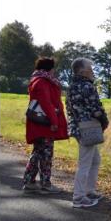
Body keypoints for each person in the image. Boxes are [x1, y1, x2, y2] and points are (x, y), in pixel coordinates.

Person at [67, 58, 109, 208]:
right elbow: (95, 108)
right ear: (82, 71)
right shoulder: (87, 86)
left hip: (78, 127)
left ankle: (89, 190)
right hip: (89, 127)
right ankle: (79, 197)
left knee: (95, 160)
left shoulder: (72, 86)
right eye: (90, 69)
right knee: (85, 163)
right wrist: (104, 120)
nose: (92, 71)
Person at [22, 57, 69, 194]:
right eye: (53, 68)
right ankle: (45, 184)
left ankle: (30, 182)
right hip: (45, 124)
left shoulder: (37, 79)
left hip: (38, 123)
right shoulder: (43, 81)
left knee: (38, 153)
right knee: (46, 155)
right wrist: (54, 121)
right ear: (49, 68)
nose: (54, 71)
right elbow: (46, 103)